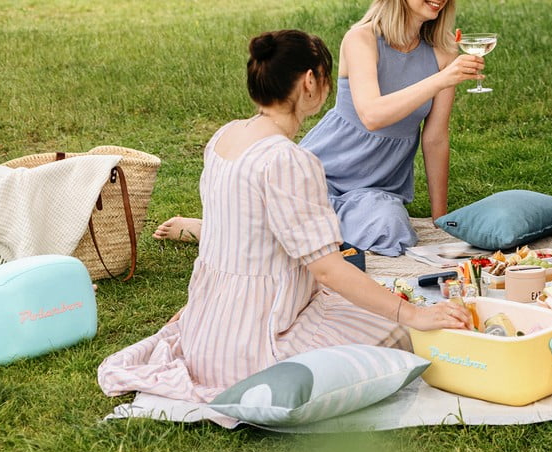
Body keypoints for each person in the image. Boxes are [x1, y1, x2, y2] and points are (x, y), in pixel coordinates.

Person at [98, 30, 471, 404]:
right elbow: (328, 270)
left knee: (362, 304)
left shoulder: (224, 137)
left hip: (207, 333)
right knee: (397, 334)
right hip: (259, 345)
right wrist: (412, 315)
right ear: (310, 82)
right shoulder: (290, 161)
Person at [153, 0, 485, 255]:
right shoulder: (363, 38)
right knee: (287, 222)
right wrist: (444, 78)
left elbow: (435, 137)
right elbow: (371, 114)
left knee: (390, 230)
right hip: (321, 170)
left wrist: (441, 219)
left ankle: (305, 233)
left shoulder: (443, 54)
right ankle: (209, 229)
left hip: (376, 188)